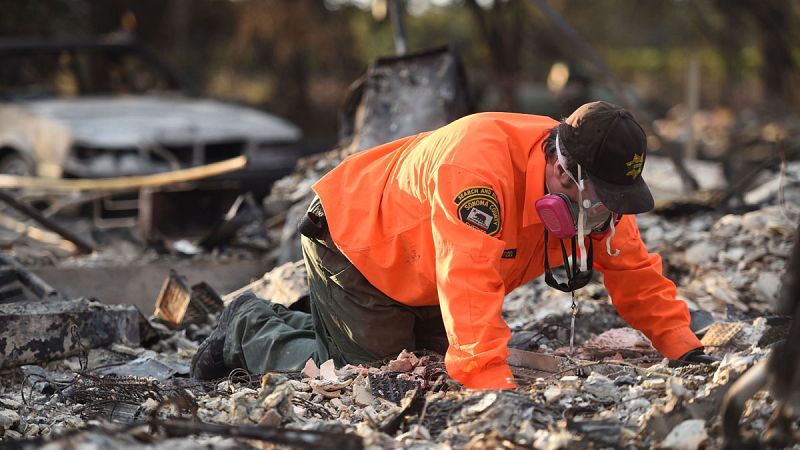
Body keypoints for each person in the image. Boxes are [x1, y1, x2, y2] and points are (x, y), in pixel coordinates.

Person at [191, 101, 715, 389]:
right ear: (562, 170)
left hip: (424, 265)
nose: (605, 215)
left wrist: (682, 347)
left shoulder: (597, 199)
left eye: (616, 201)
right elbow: (468, 281)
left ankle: (328, 321)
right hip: (359, 242)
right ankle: (248, 324)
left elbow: (635, 271)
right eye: (601, 199)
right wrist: (491, 389)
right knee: (369, 374)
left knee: (428, 362)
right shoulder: (479, 174)